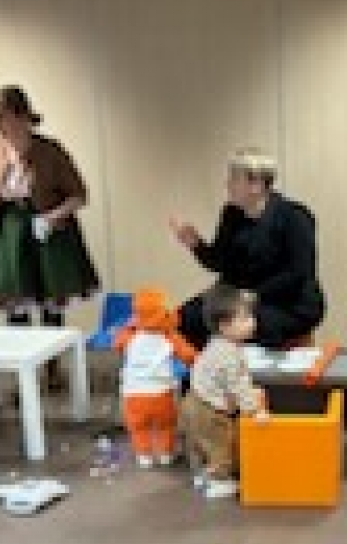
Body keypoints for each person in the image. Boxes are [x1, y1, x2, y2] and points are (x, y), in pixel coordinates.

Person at [0, 85, 99, 381]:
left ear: (21, 115)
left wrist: (51, 217)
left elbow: (79, 195)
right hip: (7, 231)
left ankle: (53, 369)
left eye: (1, 116)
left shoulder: (49, 151)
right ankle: (24, 373)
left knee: (50, 301)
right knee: (15, 301)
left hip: (46, 230)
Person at [169, 148, 325, 350]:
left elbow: (299, 274)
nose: (227, 184)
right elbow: (220, 263)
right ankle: (201, 369)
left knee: (238, 326)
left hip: (288, 302)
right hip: (240, 298)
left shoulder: (295, 217)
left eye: (234, 178)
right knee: (184, 318)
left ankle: (246, 368)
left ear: (256, 184)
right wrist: (196, 244)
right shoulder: (231, 214)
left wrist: (250, 296)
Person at [178, 283, 266, 500]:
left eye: (251, 316)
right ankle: (219, 481)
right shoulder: (229, 355)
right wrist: (255, 410)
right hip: (208, 409)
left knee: (201, 442)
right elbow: (238, 386)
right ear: (225, 326)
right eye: (244, 318)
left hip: (193, 399)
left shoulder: (217, 343)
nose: (252, 322)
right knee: (220, 444)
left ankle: (203, 474)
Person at [113, 288, 197, 469]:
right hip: (162, 394)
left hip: (133, 393)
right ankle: (165, 454)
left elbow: (118, 345)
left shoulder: (129, 336)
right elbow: (189, 356)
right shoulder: (170, 336)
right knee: (166, 426)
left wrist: (129, 326)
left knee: (138, 428)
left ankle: (144, 456)